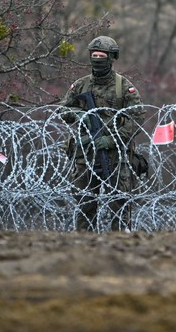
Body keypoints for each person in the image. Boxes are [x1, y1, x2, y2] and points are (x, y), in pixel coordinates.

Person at [62, 35, 144, 231]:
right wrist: (80, 115)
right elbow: (64, 110)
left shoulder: (123, 86)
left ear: (112, 57)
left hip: (115, 155)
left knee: (119, 204)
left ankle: (118, 247)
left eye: (102, 55)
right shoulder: (81, 85)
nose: (98, 59)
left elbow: (137, 118)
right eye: (94, 55)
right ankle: (85, 247)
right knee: (85, 205)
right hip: (86, 154)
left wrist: (112, 139)